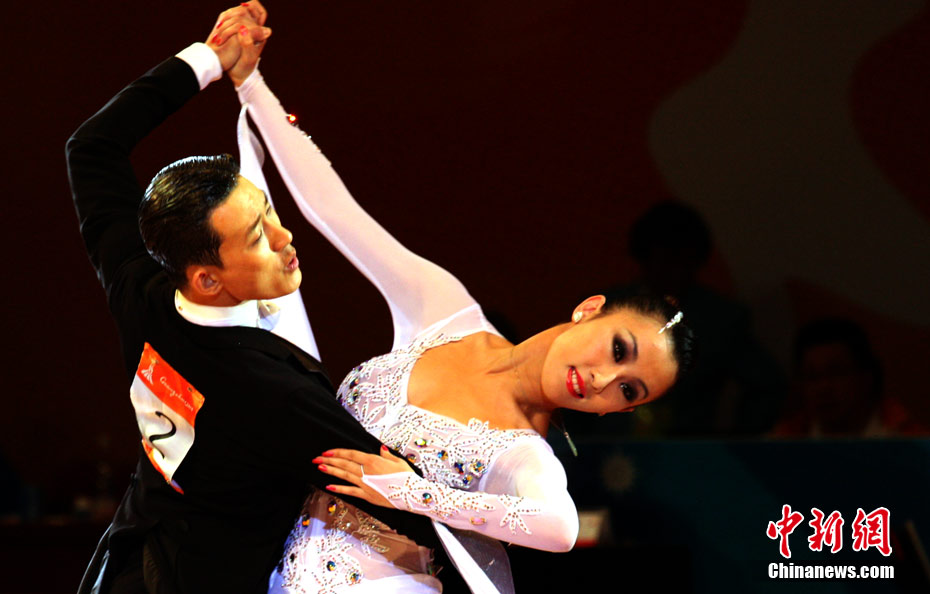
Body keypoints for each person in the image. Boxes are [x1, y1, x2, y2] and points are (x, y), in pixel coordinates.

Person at [226, 18, 695, 593]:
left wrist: (412, 492)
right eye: (619, 350)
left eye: (628, 390)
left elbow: (561, 529)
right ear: (589, 308)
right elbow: (336, 209)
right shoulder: (443, 309)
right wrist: (251, 84)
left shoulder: (523, 455)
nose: (603, 379)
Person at [67, 5, 467, 593]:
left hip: (120, 567)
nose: (284, 238)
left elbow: (90, 148)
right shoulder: (271, 392)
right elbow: (413, 507)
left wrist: (210, 59)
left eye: (268, 211)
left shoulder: (141, 285)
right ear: (207, 279)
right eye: (257, 236)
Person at [773, 317, 926, 438]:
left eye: (837, 373)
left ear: (866, 377)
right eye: (812, 377)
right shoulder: (782, 443)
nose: (824, 387)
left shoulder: (910, 441)